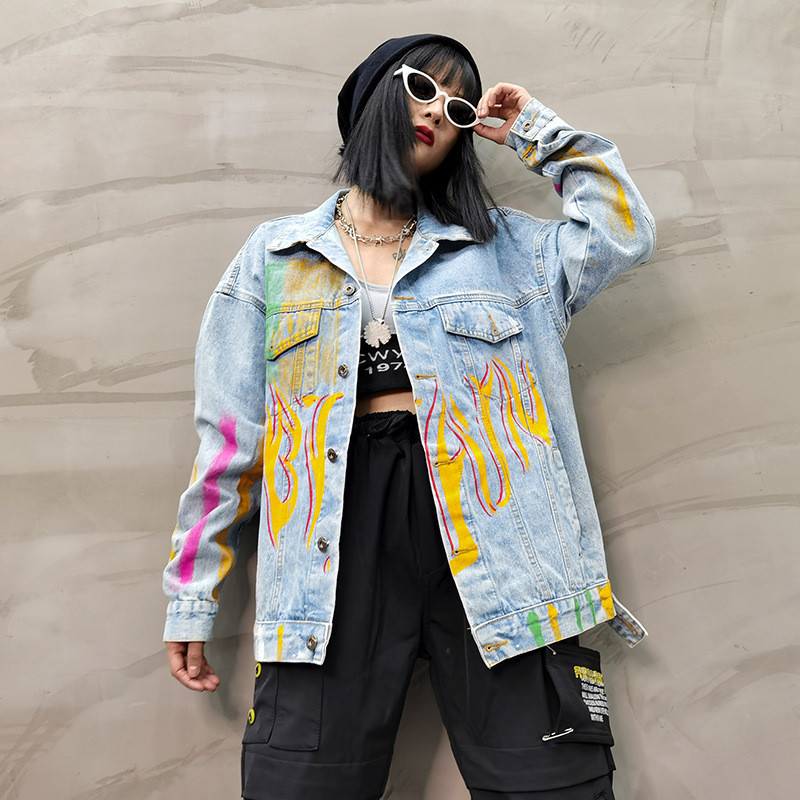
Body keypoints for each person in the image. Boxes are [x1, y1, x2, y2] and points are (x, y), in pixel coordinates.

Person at [163, 33, 655, 800]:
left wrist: (535, 130)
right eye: (421, 88)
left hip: (504, 545)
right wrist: (193, 598)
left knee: (553, 786)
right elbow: (230, 446)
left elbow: (621, 232)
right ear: (370, 96)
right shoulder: (274, 256)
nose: (435, 112)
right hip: (331, 549)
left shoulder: (506, 249)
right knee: (299, 785)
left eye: (456, 108)